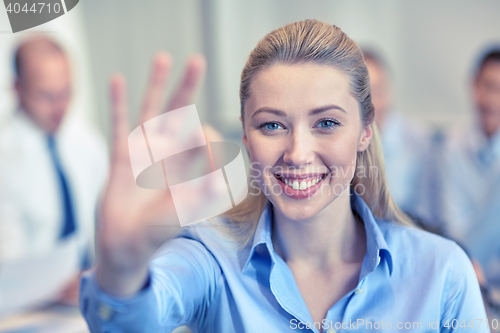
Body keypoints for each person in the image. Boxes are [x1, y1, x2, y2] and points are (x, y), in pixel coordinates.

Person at [80, 20, 489, 332]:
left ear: (365, 131)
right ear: (245, 135)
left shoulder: (441, 271)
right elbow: (132, 319)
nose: (297, 153)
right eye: (272, 125)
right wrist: (121, 270)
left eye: (326, 123)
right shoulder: (210, 258)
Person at [0, 36, 108, 315]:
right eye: (47, 96)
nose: (60, 107)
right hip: (27, 312)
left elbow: (104, 223)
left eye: (66, 93)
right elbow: (8, 270)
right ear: (17, 89)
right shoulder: (5, 158)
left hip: (91, 298)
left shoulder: (87, 143)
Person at [439, 48, 500, 287]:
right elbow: (452, 230)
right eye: (488, 87)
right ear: (474, 87)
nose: (493, 100)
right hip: (465, 274)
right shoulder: (452, 146)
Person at [362, 49, 436, 228]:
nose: (372, 104)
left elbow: (427, 215)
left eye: (378, 91)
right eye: (364, 94)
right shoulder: (342, 142)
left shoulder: (419, 142)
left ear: (389, 91)